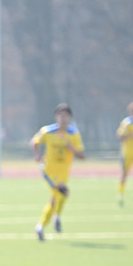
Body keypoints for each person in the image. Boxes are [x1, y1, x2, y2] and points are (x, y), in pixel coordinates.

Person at [30, 103, 85, 241]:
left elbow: (82, 155)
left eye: (66, 115)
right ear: (56, 117)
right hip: (49, 170)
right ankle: (50, 221)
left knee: (59, 197)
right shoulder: (48, 131)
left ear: (70, 117)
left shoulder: (73, 134)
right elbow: (35, 142)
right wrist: (37, 156)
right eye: (60, 115)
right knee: (62, 192)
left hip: (64, 172)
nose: (63, 118)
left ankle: (43, 225)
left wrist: (71, 148)